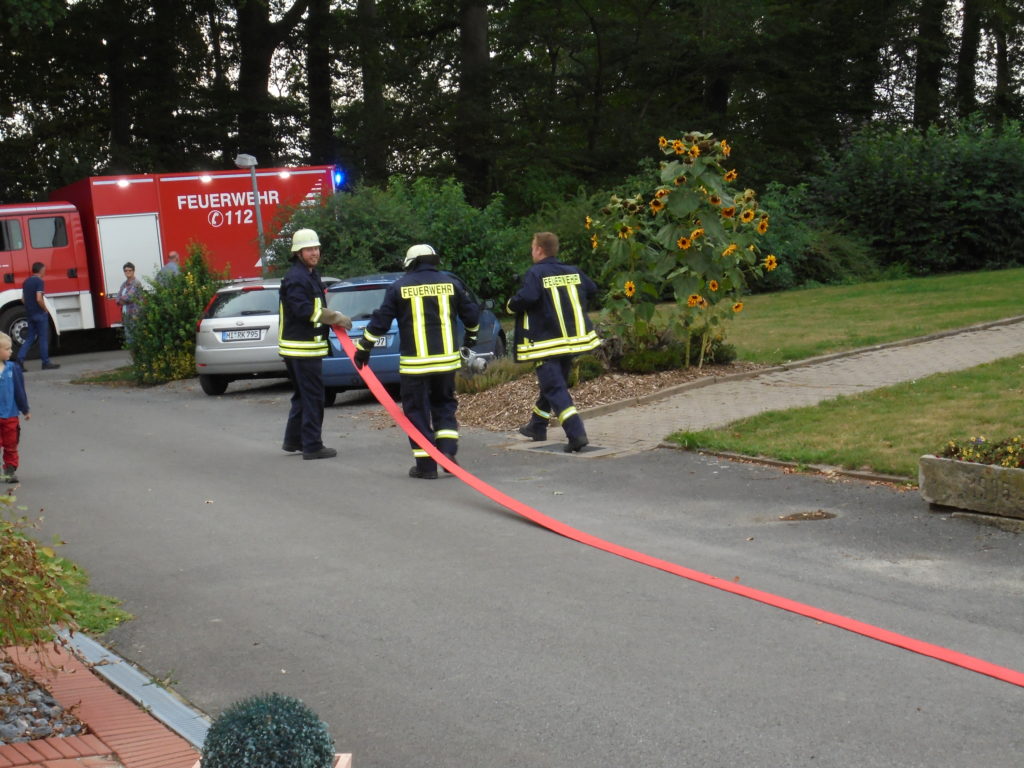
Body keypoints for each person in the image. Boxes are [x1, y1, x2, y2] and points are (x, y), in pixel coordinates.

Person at [353, 244, 480, 479]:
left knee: (417, 413)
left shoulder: (398, 287)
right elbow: (472, 315)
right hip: (445, 363)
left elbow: (380, 321)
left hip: (415, 365)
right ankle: (448, 453)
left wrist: (363, 348)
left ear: (410, 263)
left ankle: (426, 466)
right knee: (444, 406)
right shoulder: (451, 283)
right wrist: (471, 339)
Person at [508, 232, 600, 453]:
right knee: (552, 386)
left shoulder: (536, 273)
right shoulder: (573, 271)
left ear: (539, 249)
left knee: (554, 388)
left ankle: (576, 433)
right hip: (571, 342)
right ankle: (537, 426)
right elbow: (593, 289)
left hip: (546, 344)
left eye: (532, 247)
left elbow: (528, 297)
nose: (532, 251)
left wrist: (511, 304)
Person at [279, 228, 351, 460]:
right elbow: (302, 310)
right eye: (309, 249)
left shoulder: (308, 274)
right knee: (314, 397)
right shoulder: (297, 278)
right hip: (302, 348)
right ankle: (312, 445)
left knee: (302, 395)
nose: (315, 252)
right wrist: (333, 317)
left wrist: (330, 316)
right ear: (298, 252)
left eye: (316, 248)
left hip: (302, 347)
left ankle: (293, 440)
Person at [15, 262, 59, 371]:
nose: (45, 272)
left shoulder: (26, 282)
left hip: (30, 314)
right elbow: (39, 298)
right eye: (44, 270)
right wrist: (44, 309)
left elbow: (23, 299)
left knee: (30, 338)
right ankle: (45, 362)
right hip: (39, 314)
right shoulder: (39, 281)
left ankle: (20, 360)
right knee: (43, 338)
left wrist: (30, 308)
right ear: (40, 270)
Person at [0, 332, 30, 483]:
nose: (11, 351)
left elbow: (19, 391)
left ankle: (9, 470)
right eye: (7, 348)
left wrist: (25, 409)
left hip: (10, 415)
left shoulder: (13, 369)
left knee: (11, 444)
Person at [114, 262, 142, 343]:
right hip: (126, 315)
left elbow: (129, 296)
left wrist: (122, 300)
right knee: (129, 339)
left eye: (130, 270)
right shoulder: (124, 284)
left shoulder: (136, 283)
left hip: (135, 315)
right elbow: (118, 297)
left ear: (133, 271)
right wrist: (120, 300)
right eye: (126, 271)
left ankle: (137, 355)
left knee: (135, 339)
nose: (128, 272)